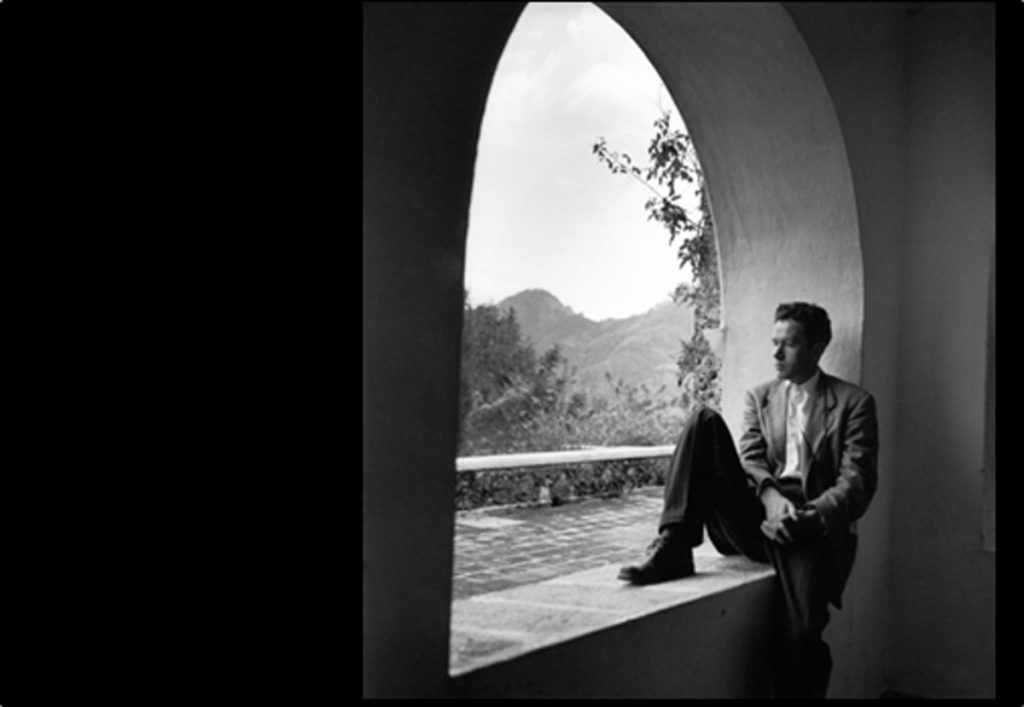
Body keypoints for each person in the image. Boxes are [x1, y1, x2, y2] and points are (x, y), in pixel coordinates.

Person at [618, 302, 878, 699]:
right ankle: (675, 543)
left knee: (802, 632)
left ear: (817, 349)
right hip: (757, 514)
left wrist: (808, 516)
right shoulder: (761, 397)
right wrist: (771, 497)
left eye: (788, 344)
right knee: (703, 420)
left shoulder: (853, 402)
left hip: (809, 528)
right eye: (774, 342)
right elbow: (751, 459)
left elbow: (857, 482)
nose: (776, 353)